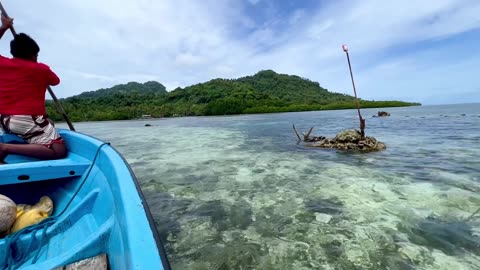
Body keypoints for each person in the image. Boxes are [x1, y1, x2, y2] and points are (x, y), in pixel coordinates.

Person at [0, 14, 67, 164]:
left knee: (49, 122)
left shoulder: (2, 64)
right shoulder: (41, 69)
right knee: (58, 151)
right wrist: (37, 66)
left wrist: (3, 28)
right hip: (26, 119)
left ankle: (31, 143)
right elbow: (55, 81)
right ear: (33, 55)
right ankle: (4, 148)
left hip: (5, 120)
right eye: (36, 55)